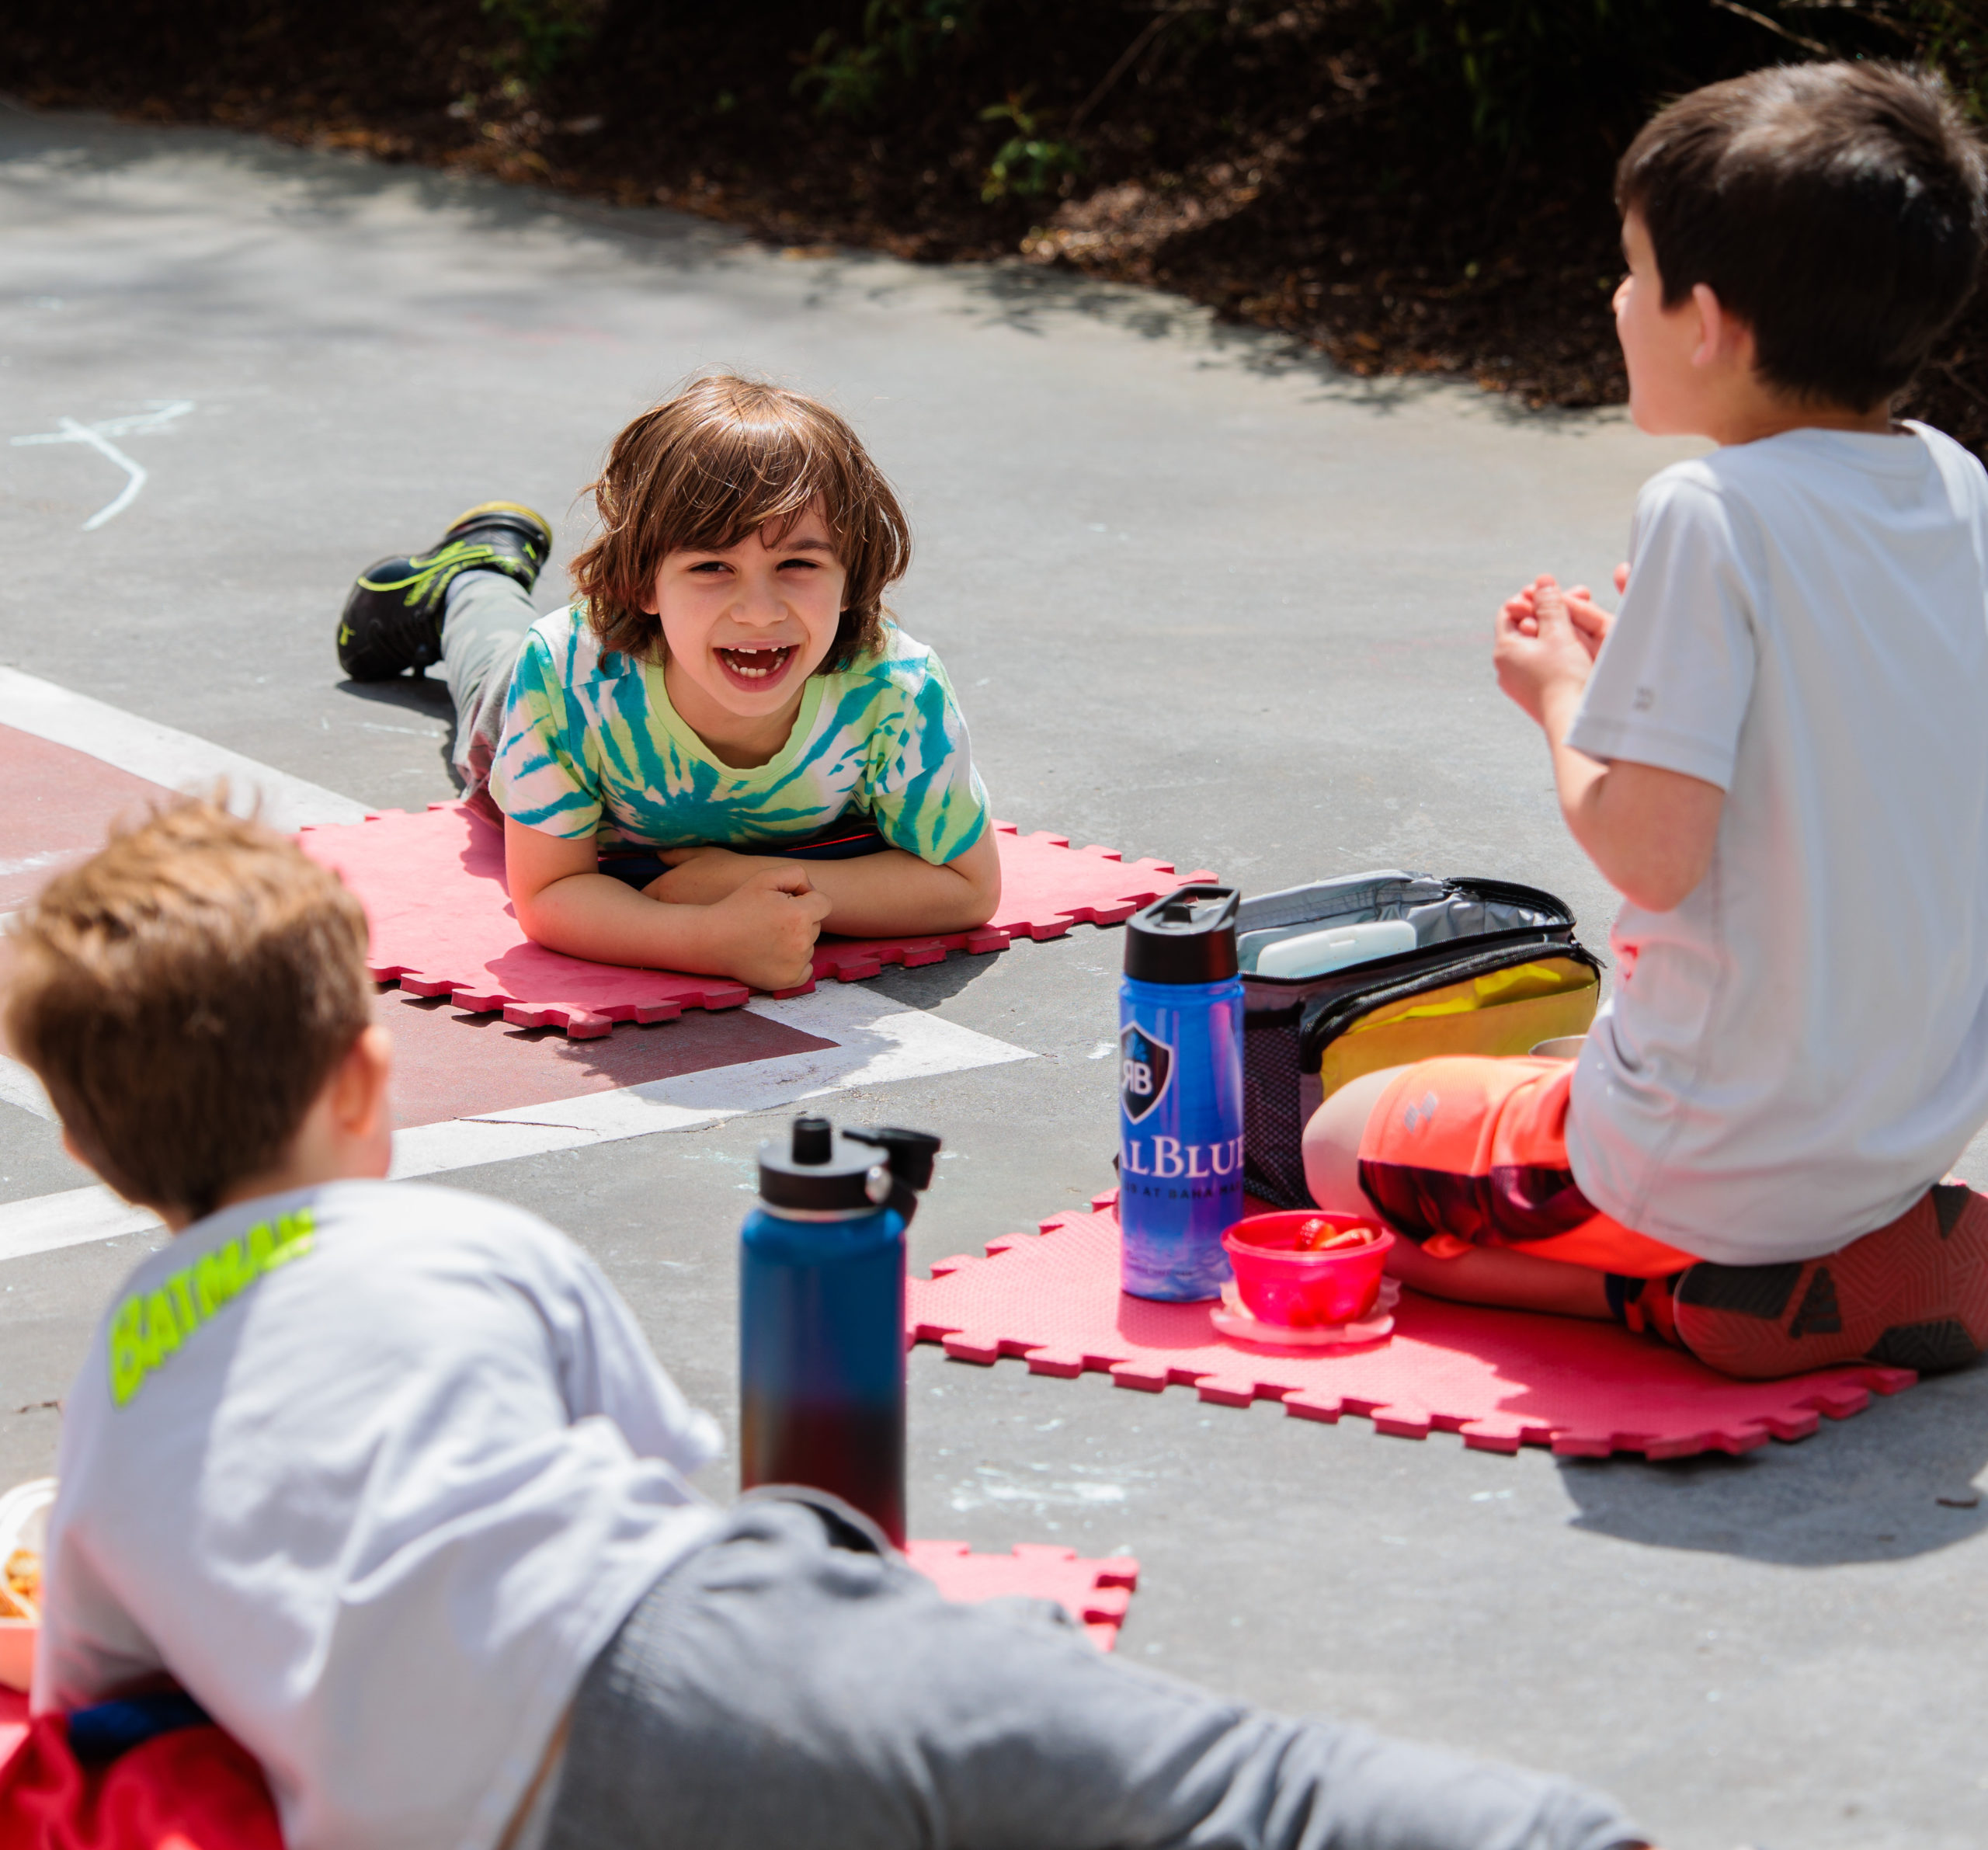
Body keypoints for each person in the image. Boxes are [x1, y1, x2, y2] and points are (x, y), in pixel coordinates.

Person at [10, 800, 1653, 1850]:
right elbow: (673, 1491)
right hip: (699, 1651)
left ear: (89, 1144)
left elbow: (92, 1691)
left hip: (468, 1825)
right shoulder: (449, 1244)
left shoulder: (119, 1383)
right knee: (1200, 1793)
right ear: (364, 1078)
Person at [1305, 60, 1988, 1382]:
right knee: (1563, 1060)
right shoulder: (1958, 487)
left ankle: (1687, 1298)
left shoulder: (1708, 510)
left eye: (1633, 271)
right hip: (1909, 1124)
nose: (1616, 300)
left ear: (1709, 323)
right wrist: (1654, 676)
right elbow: (1858, 722)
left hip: (1706, 1156)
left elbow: (1651, 853)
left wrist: (1562, 695)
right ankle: (1860, 1247)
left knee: (1343, 1140)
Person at [333, 374, 1001, 993]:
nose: (759, 610)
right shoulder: (567, 676)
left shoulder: (896, 689)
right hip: (563, 691)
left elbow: (968, 890)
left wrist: (748, 881)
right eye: (713, 566)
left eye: (797, 562)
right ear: (643, 581)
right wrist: (708, 940)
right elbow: (549, 892)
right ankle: (472, 577)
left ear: (851, 577)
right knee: (493, 664)